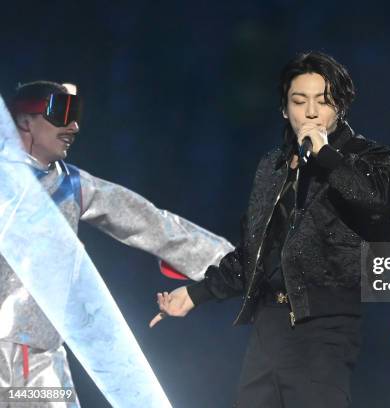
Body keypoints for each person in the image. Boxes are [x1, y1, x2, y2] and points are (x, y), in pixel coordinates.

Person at [151, 51, 390, 407]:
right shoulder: (272, 165)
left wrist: (327, 156)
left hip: (325, 327)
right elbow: (254, 251)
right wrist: (196, 294)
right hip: (269, 325)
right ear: (285, 108)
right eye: (300, 101)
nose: (312, 112)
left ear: (341, 107)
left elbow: (380, 201)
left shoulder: (369, 158)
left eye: (324, 101)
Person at [0, 81, 234, 406]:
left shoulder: (71, 185)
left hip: (36, 360)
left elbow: (151, 223)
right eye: (62, 113)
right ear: (25, 120)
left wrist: (232, 262)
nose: (74, 126)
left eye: (76, 114)